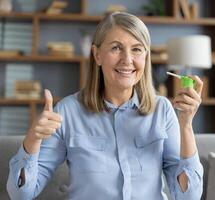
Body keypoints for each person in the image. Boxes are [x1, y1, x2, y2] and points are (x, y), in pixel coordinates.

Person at [7, 12, 204, 200]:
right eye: (116, 48)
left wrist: (186, 125)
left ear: (145, 56)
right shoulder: (67, 112)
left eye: (136, 49)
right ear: (97, 54)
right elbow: (22, 194)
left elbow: (188, 195)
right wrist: (33, 138)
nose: (127, 59)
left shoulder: (162, 110)